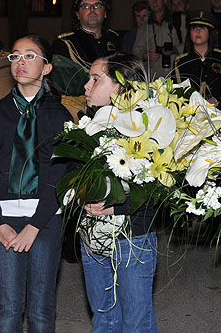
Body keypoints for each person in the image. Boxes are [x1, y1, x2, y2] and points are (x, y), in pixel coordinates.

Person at [0, 34, 71, 333]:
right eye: (15, 56)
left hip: (45, 220)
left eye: (30, 56)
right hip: (5, 219)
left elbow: (60, 174)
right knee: (8, 308)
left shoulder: (59, 115)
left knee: (41, 309)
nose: (20, 62)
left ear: (46, 68)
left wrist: (34, 225)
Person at [82, 52, 158, 332]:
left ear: (120, 86)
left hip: (133, 237)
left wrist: (116, 206)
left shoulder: (148, 127)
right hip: (92, 235)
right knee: (104, 319)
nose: (86, 86)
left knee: (136, 322)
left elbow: (158, 191)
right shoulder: (87, 126)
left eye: (95, 79)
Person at [51, 0, 121, 96]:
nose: (92, 9)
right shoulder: (64, 43)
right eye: (86, 6)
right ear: (78, 14)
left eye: (97, 5)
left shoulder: (115, 40)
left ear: (105, 13)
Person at [174, 10, 221, 112]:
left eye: (202, 28)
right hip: (192, 116)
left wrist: (217, 100)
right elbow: (177, 95)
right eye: (194, 28)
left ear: (210, 33)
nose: (197, 31)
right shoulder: (181, 62)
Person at [133, 0, 185, 79]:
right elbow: (136, 51)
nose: (154, 1)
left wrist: (174, 49)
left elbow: (190, 46)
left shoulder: (179, 20)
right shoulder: (145, 26)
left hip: (177, 77)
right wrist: (146, 55)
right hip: (153, 80)